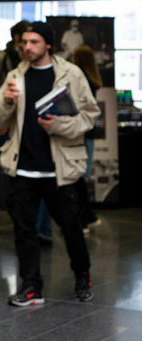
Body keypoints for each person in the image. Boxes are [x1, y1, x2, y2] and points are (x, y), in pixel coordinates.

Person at [0, 22, 100, 306]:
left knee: (71, 226)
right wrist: (5, 101)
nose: (27, 47)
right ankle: (31, 286)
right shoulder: (15, 75)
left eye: (34, 42)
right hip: (23, 166)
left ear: (48, 44)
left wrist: (60, 125)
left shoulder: (71, 73)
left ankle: (82, 276)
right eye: (24, 42)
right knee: (24, 231)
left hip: (59, 167)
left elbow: (90, 116)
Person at [0, 20, 29, 233]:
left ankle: (25, 220)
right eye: (25, 38)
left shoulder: (30, 62)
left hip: (25, 128)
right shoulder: (1, 60)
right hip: (3, 127)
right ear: (17, 38)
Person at [72, 44, 103, 231]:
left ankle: (83, 217)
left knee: (78, 178)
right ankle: (85, 215)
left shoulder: (81, 80)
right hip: (87, 133)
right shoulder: (92, 79)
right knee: (81, 177)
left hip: (81, 134)